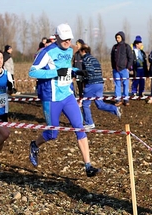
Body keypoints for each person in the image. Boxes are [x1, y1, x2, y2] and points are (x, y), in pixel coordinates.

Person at [28, 23, 100, 177]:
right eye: (64, 39)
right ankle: (35, 145)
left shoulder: (69, 50)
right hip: (51, 97)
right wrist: (55, 73)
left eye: (69, 39)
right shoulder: (47, 52)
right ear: (57, 37)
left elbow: (66, 69)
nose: (68, 42)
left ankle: (88, 166)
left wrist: (76, 71)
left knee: (79, 126)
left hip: (67, 95)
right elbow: (32, 72)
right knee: (53, 134)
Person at [78, 45, 121, 129]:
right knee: (100, 104)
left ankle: (89, 123)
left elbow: (90, 71)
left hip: (91, 84)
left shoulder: (86, 59)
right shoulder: (94, 59)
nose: (79, 53)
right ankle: (115, 109)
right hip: (99, 84)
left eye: (80, 51)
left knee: (85, 104)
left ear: (83, 51)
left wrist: (81, 74)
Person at [111, 31, 133, 106]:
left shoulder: (127, 47)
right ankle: (118, 99)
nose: (117, 39)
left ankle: (126, 99)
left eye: (118, 37)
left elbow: (130, 58)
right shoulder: (114, 47)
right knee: (117, 84)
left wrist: (128, 68)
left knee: (125, 84)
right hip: (116, 70)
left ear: (122, 38)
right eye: (116, 38)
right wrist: (113, 67)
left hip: (124, 69)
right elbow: (112, 58)